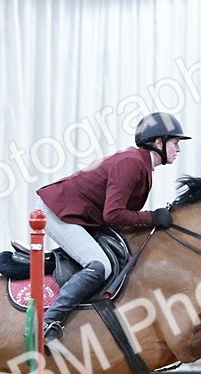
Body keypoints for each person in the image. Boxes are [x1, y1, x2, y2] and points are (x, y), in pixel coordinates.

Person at [35, 111, 190, 349]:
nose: (178, 149)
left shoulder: (142, 164)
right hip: (59, 211)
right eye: (175, 143)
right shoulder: (132, 163)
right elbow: (113, 214)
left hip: (82, 214)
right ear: (158, 143)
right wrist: (152, 217)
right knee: (100, 265)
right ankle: (49, 322)